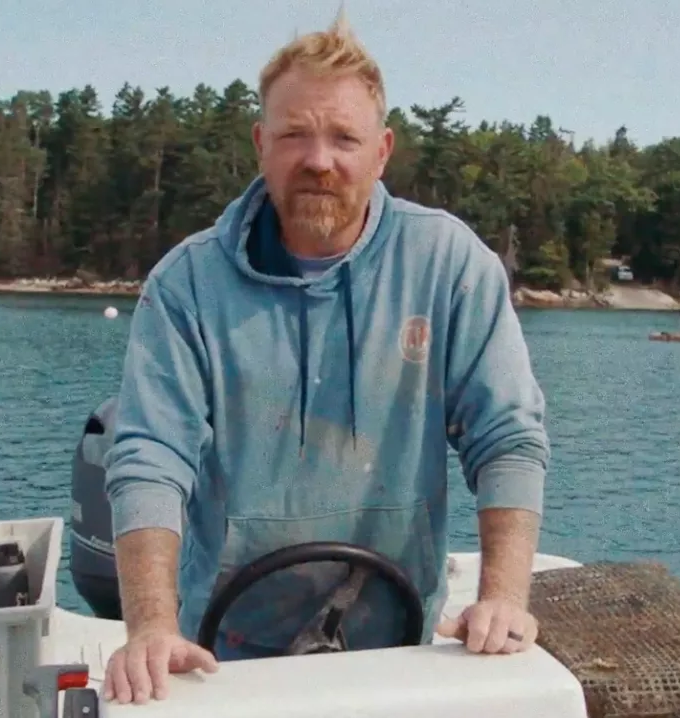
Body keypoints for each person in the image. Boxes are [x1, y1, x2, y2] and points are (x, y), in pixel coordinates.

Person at [101, 11, 549, 707]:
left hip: (400, 643)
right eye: (293, 135)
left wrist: (502, 598)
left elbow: (508, 438)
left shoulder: (450, 266)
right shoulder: (185, 285)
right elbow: (150, 458)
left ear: (382, 151)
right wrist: (152, 628)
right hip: (222, 657)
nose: (318, 160)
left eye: (344, 137)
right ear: (260, 145)